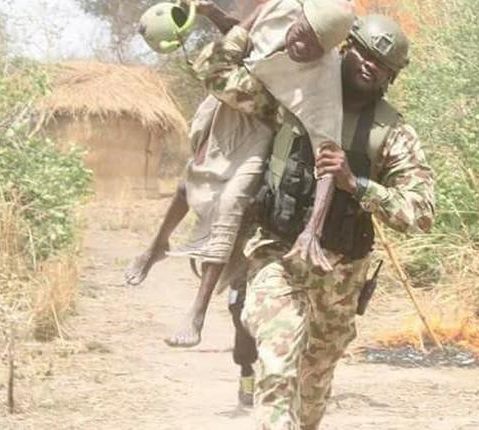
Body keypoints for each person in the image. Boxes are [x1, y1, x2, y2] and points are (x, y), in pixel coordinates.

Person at [239, 14, 435, 429]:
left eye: (380, 64)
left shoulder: (393, 134)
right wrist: (241, 24)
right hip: (279, 254)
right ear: (345, 49)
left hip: (340, 277)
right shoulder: (294, 93)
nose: (368, 65)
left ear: (390, 76)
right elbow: (222, 79)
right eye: (363, 53)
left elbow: (421, 213)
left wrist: (358, 184)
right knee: (277, 366)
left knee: (313, 383)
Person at [124, 0, 355, 352]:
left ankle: (197, 313)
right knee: (189, 185)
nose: (301, 46)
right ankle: (157, 246)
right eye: (301, 33)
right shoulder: (282, 10)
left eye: (313, 45)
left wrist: (313, 230)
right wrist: (212, 12)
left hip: (262, 124)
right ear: (299, 18)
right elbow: (241, 38)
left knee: (231, 202)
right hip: (226, 108)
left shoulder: (323, 81)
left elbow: (329, 159)